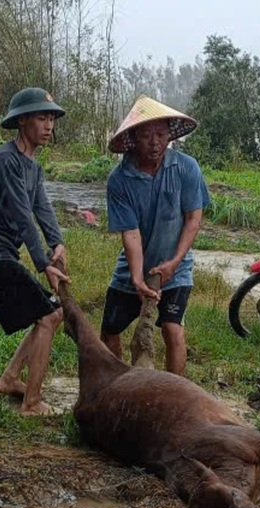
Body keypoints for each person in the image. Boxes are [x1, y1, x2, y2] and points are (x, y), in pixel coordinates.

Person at [0, 87, 70, 416]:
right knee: (48, 316)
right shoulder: (6, 161)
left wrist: (58, 243)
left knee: (52, 313)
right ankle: (32, 402)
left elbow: (41, 206)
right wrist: (43, 263)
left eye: (52, 118)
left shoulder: (32, 166)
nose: (49, 126)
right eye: (42, 118)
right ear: (22, 120)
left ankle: (10, 379)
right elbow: (23, 215)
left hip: (2, 255)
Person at [100, 96, 210, 376]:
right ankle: (121, 388)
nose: (155, 142)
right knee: (109, 331)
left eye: (161, 134)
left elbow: (193, 220)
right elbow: (131, 233)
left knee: (172, 330)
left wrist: (174, 262)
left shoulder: (186, 168)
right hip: (132, 268)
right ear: (133, 137)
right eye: (146, 135)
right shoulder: (120, 180)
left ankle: (176, 395)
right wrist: (137, 277)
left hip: (177, 266)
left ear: (170, 136)